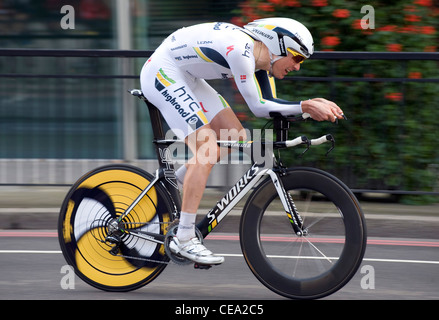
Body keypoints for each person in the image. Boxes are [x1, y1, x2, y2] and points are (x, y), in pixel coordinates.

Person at [140, 17, 344, 266]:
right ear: (279, 45)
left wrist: (306, 108)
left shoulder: (261, 63)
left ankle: (174, 184)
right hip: (163, 72)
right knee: (207, 150)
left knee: (234, 137)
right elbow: (258, 107)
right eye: (297, 57)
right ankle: (183, 239)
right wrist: (306, 105)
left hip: (186, 76)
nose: (298, 66)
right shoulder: (241, 50)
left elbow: (271, 106)